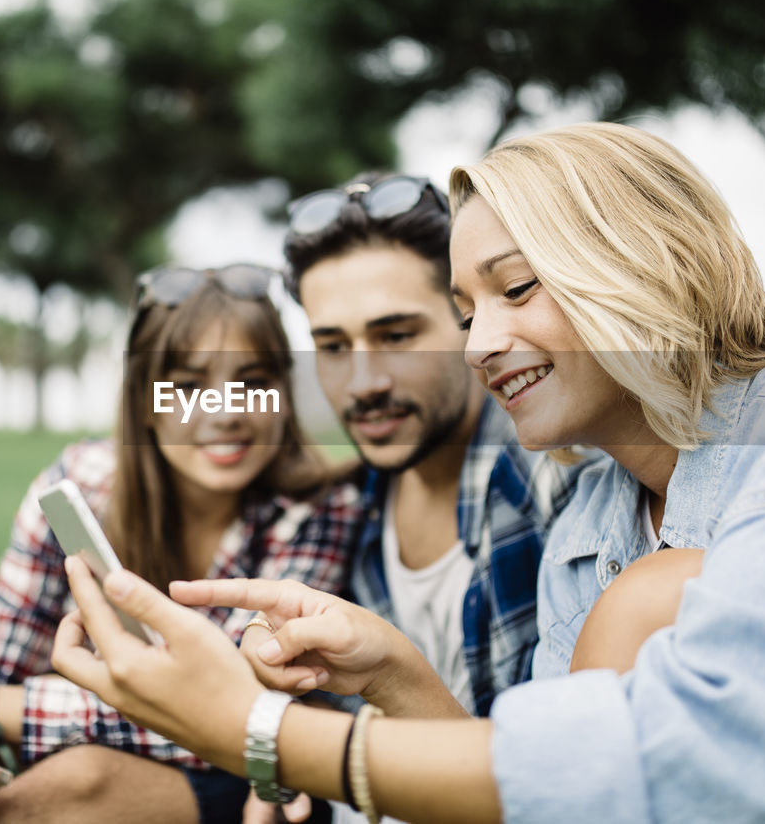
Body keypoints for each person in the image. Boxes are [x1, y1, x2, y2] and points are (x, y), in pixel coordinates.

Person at [50, 123, 765, 823]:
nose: (481, 345)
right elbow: (548, 796)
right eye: (465, 309)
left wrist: (266, 735)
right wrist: (394, 671)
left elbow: (696, 769)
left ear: (638, 265)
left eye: (516, 290)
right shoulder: (595, 518)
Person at [0, 265, 365, 824]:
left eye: (253, 383)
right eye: (190, 387)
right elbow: (6, 640)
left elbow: (229, 711)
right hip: (87, 719)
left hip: (239, 773)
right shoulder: (81, 479)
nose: (224, 412)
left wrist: (0, 709)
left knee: (78, 780)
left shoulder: (320, 510)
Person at [240, 174, 586, 823]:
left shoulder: (553, 475)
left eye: (397, 336)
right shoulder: (351, 504)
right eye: (333, 346)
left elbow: (557, 789)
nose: (364, 381)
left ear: (467, 320)